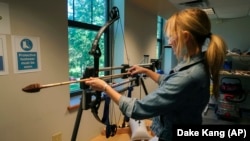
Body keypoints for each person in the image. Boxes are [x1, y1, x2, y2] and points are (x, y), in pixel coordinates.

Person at [85, 8, 227, 141]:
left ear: (186, 37)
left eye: (171, 37)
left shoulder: (189, 75)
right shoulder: (196, 66)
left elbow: (138, 109)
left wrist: (105, 87)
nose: (170, 43)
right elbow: (170, 82)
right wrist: (146, 71)